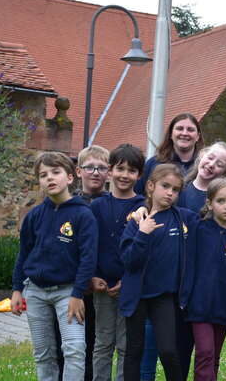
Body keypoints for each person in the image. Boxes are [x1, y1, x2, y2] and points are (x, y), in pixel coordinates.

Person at [11, 152, 97, 380]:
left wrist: (78, 294)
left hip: (68, 293)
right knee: (44, 353)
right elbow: (24, 254)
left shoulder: (83, 214)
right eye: (43, 175)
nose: (49, 178)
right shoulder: (34, 216)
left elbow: (88, 258)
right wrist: (17, 289)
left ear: (70, 177)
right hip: (36, 292)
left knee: (75, 349)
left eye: (55, 172)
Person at [119, 164, 198, 381]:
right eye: (165, 186)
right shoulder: (137, 221)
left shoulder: (184, 219)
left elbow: (213, 220)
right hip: (137, 296)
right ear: (151, 186)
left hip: (163, 297)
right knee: (134, 350)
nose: (170, 193)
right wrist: (143, 234)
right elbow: (129, 262)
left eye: (175, 189)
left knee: (168, 351)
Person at [179, 177, 226, 380]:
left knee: (214, 357)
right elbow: (172, 211)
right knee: (205, 353)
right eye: (221, 201)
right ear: (210, 203)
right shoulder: (198, 228)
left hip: (225, 308)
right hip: (198, 307)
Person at [90, 144, 146, 381]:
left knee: (125, 345)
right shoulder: (96, 206)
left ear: (139, 175)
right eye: (120, 169)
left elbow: (146, 248)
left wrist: (127, 280)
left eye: (131, 170)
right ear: (110, 171)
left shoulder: (143, 207)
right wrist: (92, 276)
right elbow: (89, 245)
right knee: (102, 343)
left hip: (130, 286)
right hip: (101, 285)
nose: (125, 175)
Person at [75, 144, 110, 380]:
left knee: (98, 345)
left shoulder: (112, 203)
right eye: (90, 167)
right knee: (74, 346)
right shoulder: (71, 204)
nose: (96, 172)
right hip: (77, 286)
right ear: (78, 172)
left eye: (101, 167)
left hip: (105, 286)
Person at [135, 113, 204, 195]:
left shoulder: (205, 167)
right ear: (171, 134)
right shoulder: (153, 164)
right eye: (179, 129)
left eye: (190, 130)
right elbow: (138, 195)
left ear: (197, 136)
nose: (185, 133)